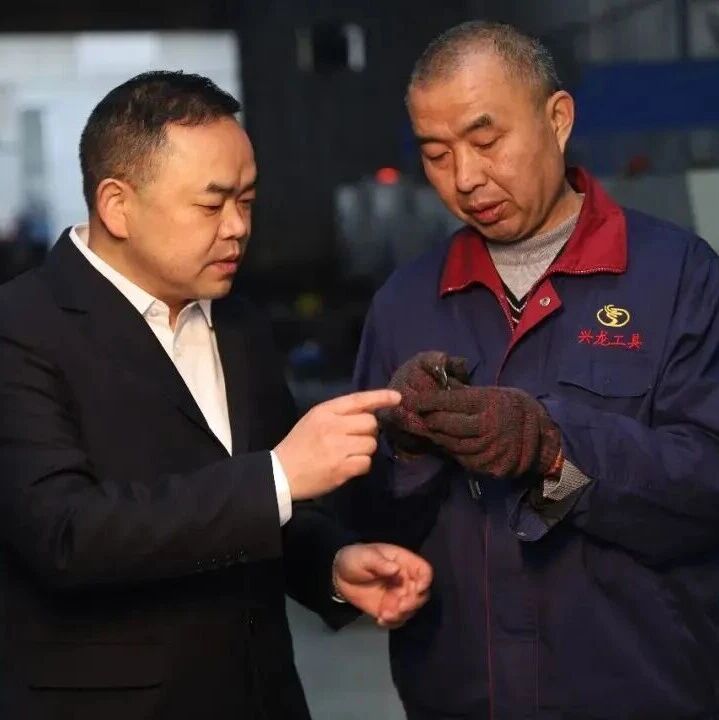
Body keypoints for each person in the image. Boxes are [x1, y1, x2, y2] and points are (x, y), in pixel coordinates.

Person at [0, 71, 432, 720]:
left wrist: (331, 564)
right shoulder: (21, 329)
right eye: (211, 205)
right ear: (117, 205)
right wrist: (279, 477)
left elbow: (273, 508)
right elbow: (66, 533)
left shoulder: (237, 324)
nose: (237, 228)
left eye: (247, 201)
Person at [340, 20, 719, 719]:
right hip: (464, 702)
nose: (464, 178)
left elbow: (705, 491)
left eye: (486, 143)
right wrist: (408, 449)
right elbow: (367, 526)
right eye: (435, 154)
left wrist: (553, 451)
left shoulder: (677, 278)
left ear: (558, 119)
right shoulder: (404, 304)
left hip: (638, 697)